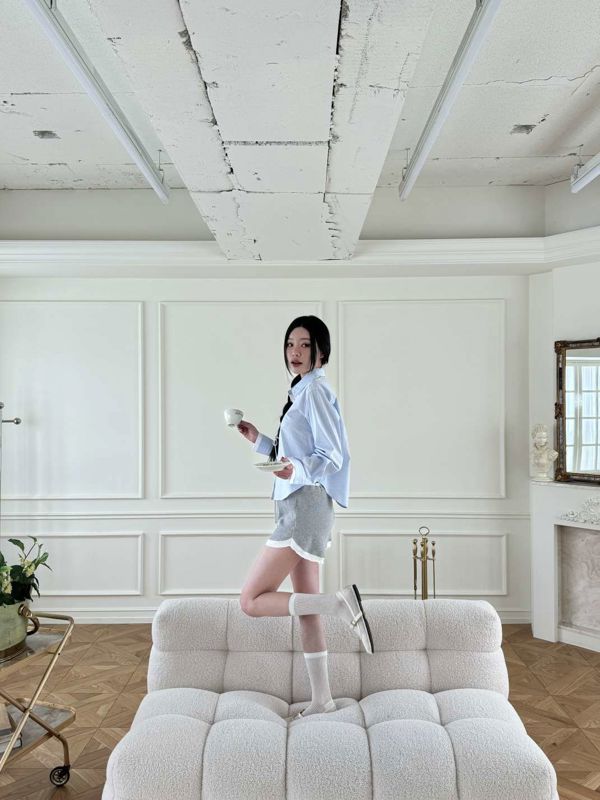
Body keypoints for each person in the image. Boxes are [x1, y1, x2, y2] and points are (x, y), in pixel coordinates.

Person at [237, 315, 374, 720]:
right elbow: (295, 454)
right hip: (300, 505)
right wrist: (260, 440)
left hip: (303, 508)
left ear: (321, 352)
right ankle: (322, 700)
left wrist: (294, 469)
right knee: (306, 608)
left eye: (304, 345)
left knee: (250, 601)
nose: (295, 352)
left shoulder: (314, 391)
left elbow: (332, 455)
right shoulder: (302, 390)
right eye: (290, 344)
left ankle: (339, 603)